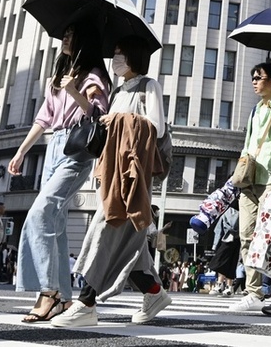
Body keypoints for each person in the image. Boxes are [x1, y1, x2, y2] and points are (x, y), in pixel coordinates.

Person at [53, 35, 172, 328]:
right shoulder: (118, 90)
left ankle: (86, 302)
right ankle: (154, 293)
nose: (116, 59)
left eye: (121, 53)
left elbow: (155, 129)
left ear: (134, 56)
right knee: (129, 245)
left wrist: (117, 120)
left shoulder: (149, 86)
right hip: (111, 171)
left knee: (106, 230)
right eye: (115, 53)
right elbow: (100, 120)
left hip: (132, 175)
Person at [10, 23, 110, 322]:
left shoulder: (94, 76)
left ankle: (48, 291)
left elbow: (96, 113)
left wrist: (73, 91)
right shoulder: (60, 75)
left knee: (40, 214)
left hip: (76, 150)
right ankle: (65, 298)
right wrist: (22, 151)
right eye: (64, 34)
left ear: (83, 40)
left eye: (71, 34)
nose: (65, 38)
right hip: (54, 146)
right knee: (58, 225)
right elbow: (44, 117)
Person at [227, 62, 271, 316]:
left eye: (259, 77)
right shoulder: (255, 110)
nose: (255, 81)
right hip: (250, 178)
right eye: (253, 77)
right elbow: (248, 145)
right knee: (246, 233)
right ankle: (253, 291)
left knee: (270, 234)